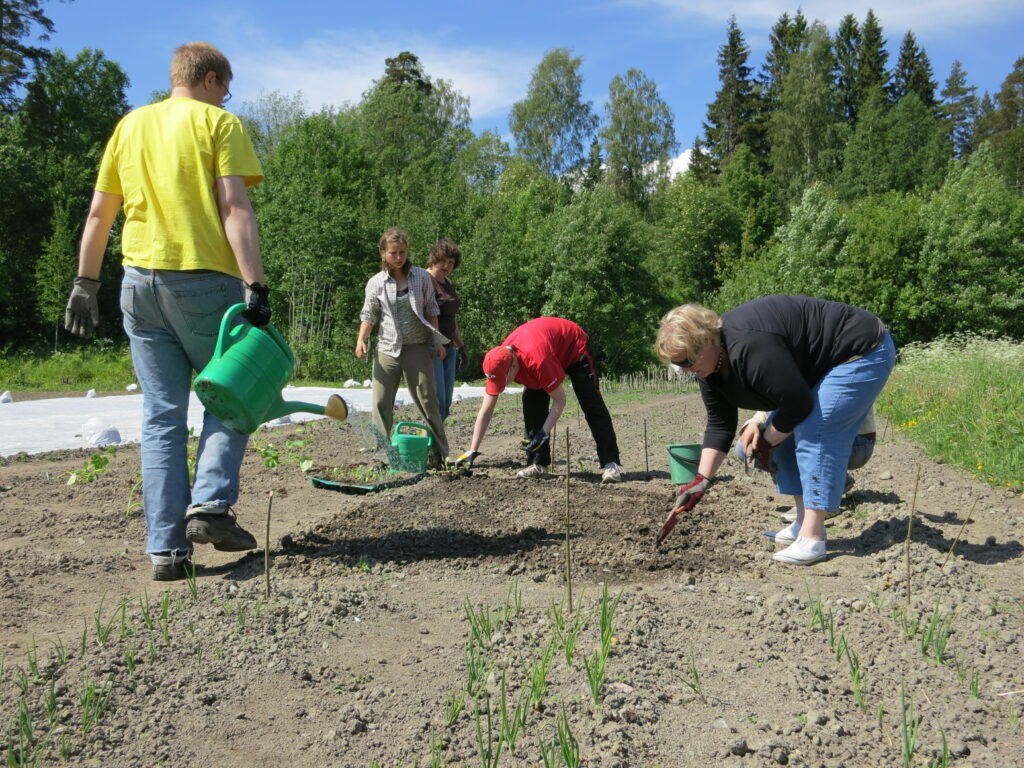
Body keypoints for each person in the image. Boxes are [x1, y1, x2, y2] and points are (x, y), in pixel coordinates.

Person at [63, 42, 271, 581]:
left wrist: (84, 282)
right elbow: (234, 207)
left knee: (161, 419)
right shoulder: (218, 125)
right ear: (207, 78)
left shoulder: (129, 126)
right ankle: (210, 507)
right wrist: (256, 284)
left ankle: (167, 552)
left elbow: (99, 213)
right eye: (225, 87)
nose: (227, 98)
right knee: (235, 393)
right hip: (204, 282)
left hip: (138, 284)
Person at [654, 295, 895, 565]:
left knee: (814, 430)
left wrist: (768, 440)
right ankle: (803, 523)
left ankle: (813, 538)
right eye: (679, 365)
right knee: (762, 442)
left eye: (686, 361)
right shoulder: (708, 368)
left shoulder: (749, 347)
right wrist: (701, 481)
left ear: (707, 341)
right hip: (816, 371)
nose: (685, 370)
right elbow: (720, 423)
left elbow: (798, 405)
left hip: (860, 349)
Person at [455, 317, 624, 483]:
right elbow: (486, 411)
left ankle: (611, 463)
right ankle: (537, 464)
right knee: (531, 404)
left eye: (503, 380)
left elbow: (560, 401)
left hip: (573, 348)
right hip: (545, 351)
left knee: (591, 403)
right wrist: (472, 450)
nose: (502, 385)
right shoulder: (498, 361)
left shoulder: (537, 361)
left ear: (513, 366)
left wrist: (543, 433)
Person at [356, 228, 449, 467]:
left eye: (403, 252)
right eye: (394, 253)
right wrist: (361, 339)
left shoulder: (421, 277)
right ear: (384, 254)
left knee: (428, 400)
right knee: (381, 401)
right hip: (387, 349)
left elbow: (432, 309)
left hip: (417, 347)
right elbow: (369, 314)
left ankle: (438, 453)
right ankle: (381, 455)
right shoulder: (376, 282)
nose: (399, 257)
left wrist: (437, 341)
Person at [735, 409, 877, 522]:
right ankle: (835, 480)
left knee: (789, 429)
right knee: (747, 448)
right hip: (820, 435)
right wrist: (755, 422)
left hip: (855, 441)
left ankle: (818, 504)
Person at [425, 239, 466, 421]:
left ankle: (435, 443)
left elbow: (451, 319)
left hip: (449, 347)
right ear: (434, 258)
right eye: (443, 260)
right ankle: (429, 443)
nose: (446, 266)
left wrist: (461, 346)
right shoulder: (423, 280)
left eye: (451, 263)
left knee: (446, 402)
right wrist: (435, 341)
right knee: (437, 400)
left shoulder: (448, 283)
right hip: (431, 347)